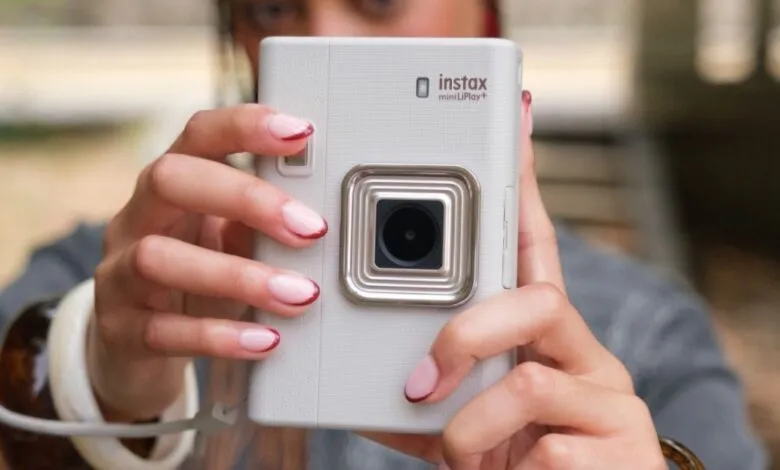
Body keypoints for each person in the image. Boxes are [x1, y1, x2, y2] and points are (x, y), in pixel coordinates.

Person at [0, 1, 768, 469]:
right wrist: (100, 383)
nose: (323, 34)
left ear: (487, 17)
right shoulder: (128, 275)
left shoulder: (641, 332)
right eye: (271, 8)